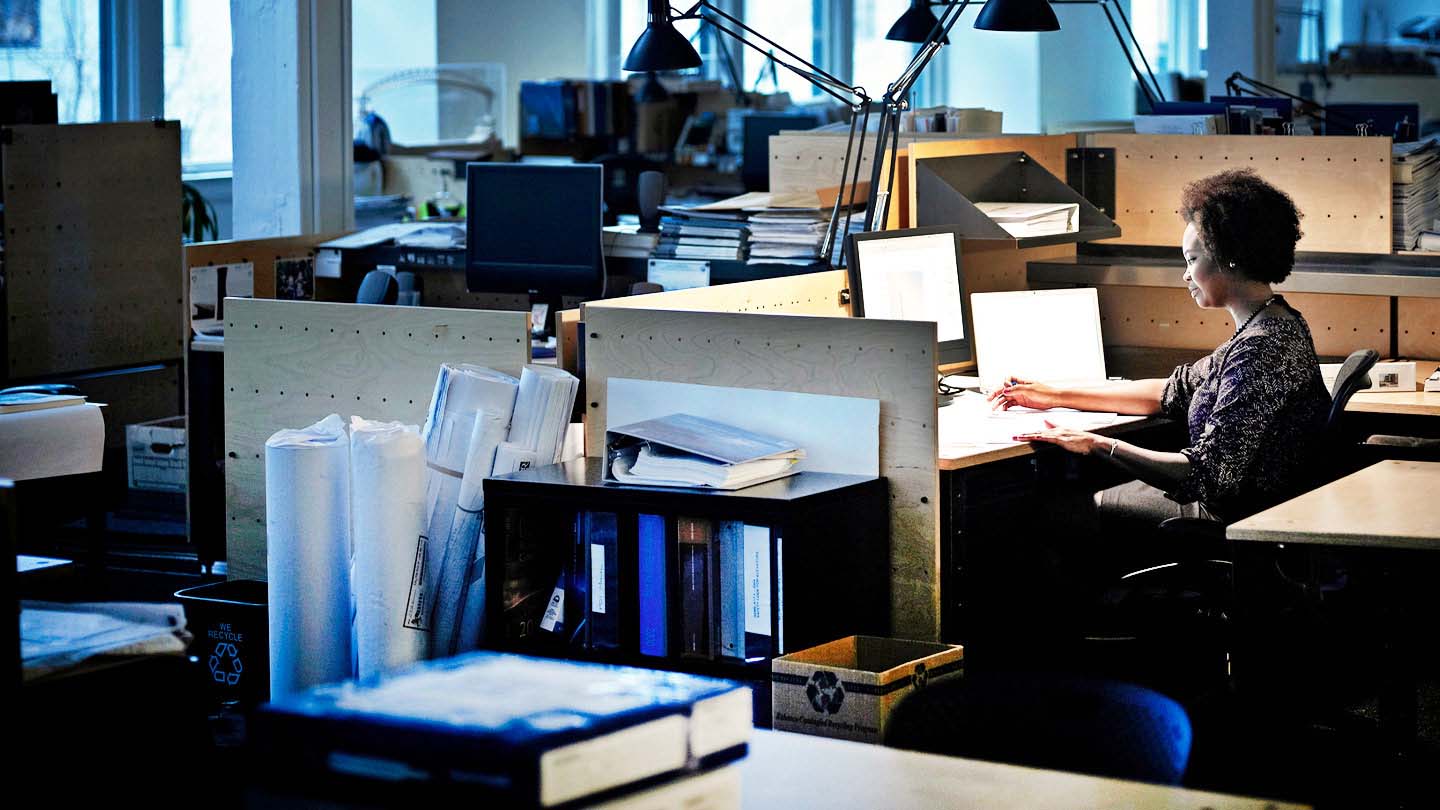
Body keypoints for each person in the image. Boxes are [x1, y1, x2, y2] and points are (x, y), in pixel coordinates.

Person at [989, 169, 1330, 541]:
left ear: (1229, 258)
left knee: (1052, 510)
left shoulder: (1262, 350)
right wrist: (1052, 395)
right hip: (1242, 506)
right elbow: (1169, 392)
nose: (1186, 275)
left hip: (1230, 518)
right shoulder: (1274, 322)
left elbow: (1204, 474)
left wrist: (1100, 444)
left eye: (1192, 259)